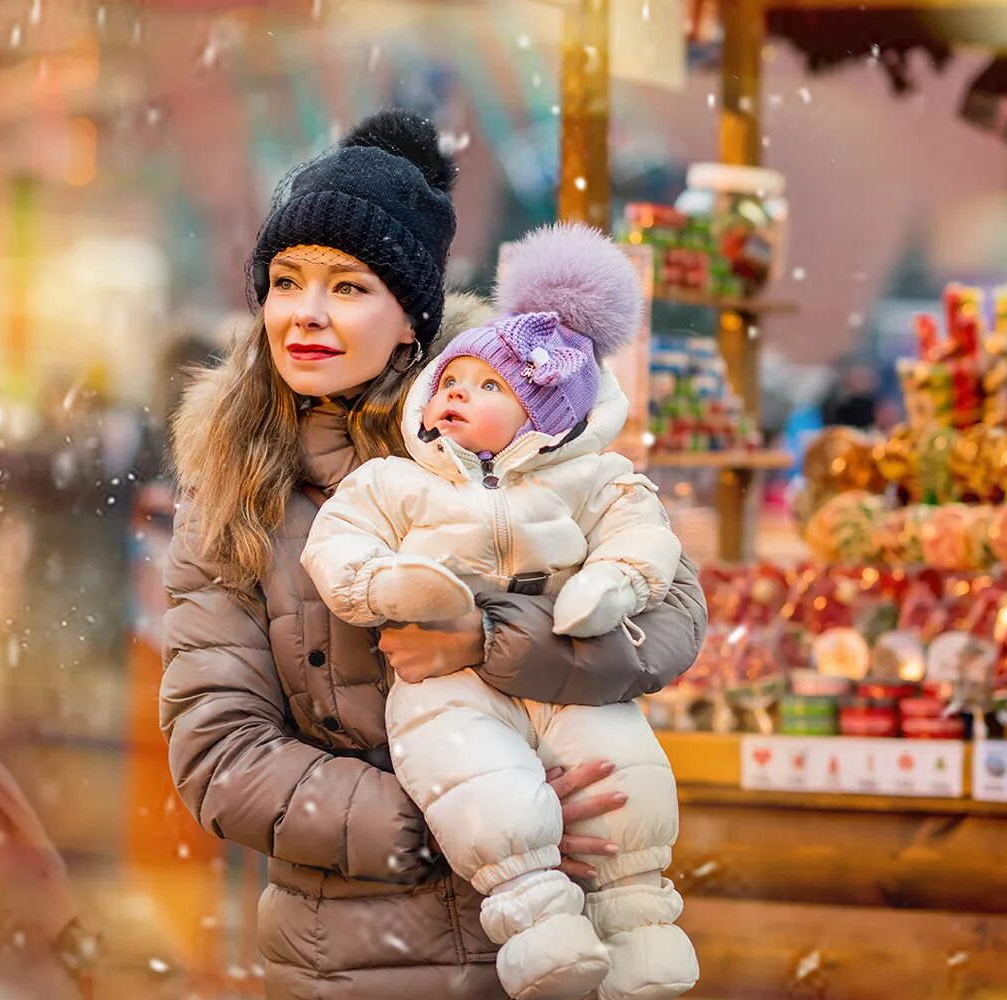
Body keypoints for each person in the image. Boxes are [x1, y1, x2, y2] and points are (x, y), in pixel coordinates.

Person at [158, 108, 708, 1000]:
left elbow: (670, 616)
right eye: (286, 282)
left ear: (412, 321)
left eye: (346, 287)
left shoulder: (511, 438)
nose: (305, 314)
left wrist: (486, 641)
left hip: (552, 953)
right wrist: (472, 822)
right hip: (357, 957)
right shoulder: (232, 498)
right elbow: (221, 753)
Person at [301, 223, 697, 1000]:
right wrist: (383, 585)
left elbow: (644, 541)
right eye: (453, 383)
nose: (457, 395)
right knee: (480, 782)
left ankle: (643, 928)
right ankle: (538, 923)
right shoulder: (400, 481)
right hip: (445, 695)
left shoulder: (590, 478)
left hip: (570, 671)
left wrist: (610, 582)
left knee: (625, 771)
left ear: (545, 419)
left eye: (490, 388)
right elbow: (339, 543)